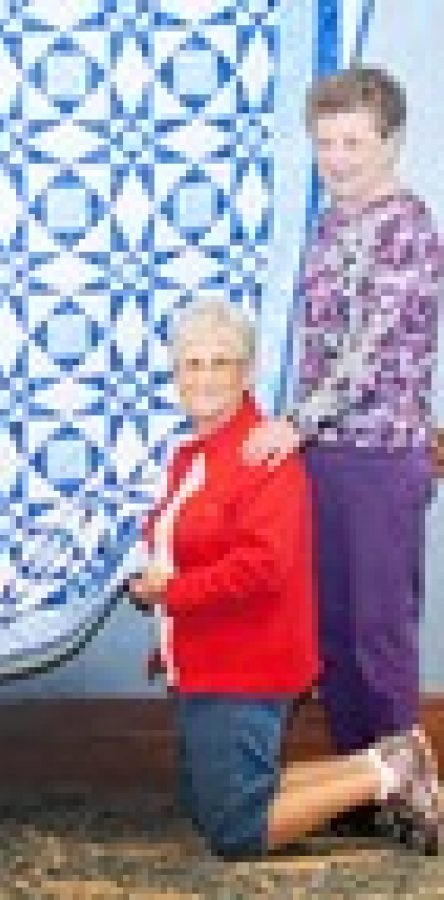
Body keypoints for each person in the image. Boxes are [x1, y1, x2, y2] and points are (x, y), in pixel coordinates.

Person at [129, 300, 441, 859]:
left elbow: (262, 567)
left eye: (219, 363)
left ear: (247, 372)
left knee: (235, 832)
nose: (203, 378)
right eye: (191, 364)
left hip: (247, 666)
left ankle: (382, 772)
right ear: (175, 374)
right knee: (210, 806)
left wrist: (169, 592)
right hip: (208, 661)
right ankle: (389, 761)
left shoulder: (262, 456)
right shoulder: (192, 455)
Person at [242, 68, 442, 835]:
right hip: (324, 453)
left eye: (353, 141)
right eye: (325, 141)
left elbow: (371, 349)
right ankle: (361, 783)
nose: (338, 156)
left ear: (390, 140)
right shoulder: (330, 224)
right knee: (331, 630)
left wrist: (296, 421)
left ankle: (412, 795)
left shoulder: (407, 227)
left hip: (381, 456)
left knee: (379, 631)